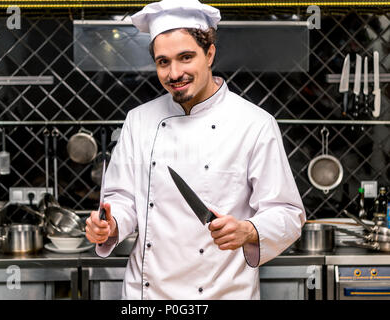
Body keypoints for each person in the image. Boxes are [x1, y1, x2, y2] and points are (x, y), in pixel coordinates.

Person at [85, 0, 306, 300]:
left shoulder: (254, 124)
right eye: (163, 62)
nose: (175, 73)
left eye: (185, 57)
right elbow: (123, 201)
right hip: (147, 297)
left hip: (221, 293)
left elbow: (288, 214)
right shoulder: (139, 121)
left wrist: (249, 229)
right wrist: (109, 226)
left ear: (210, 53)